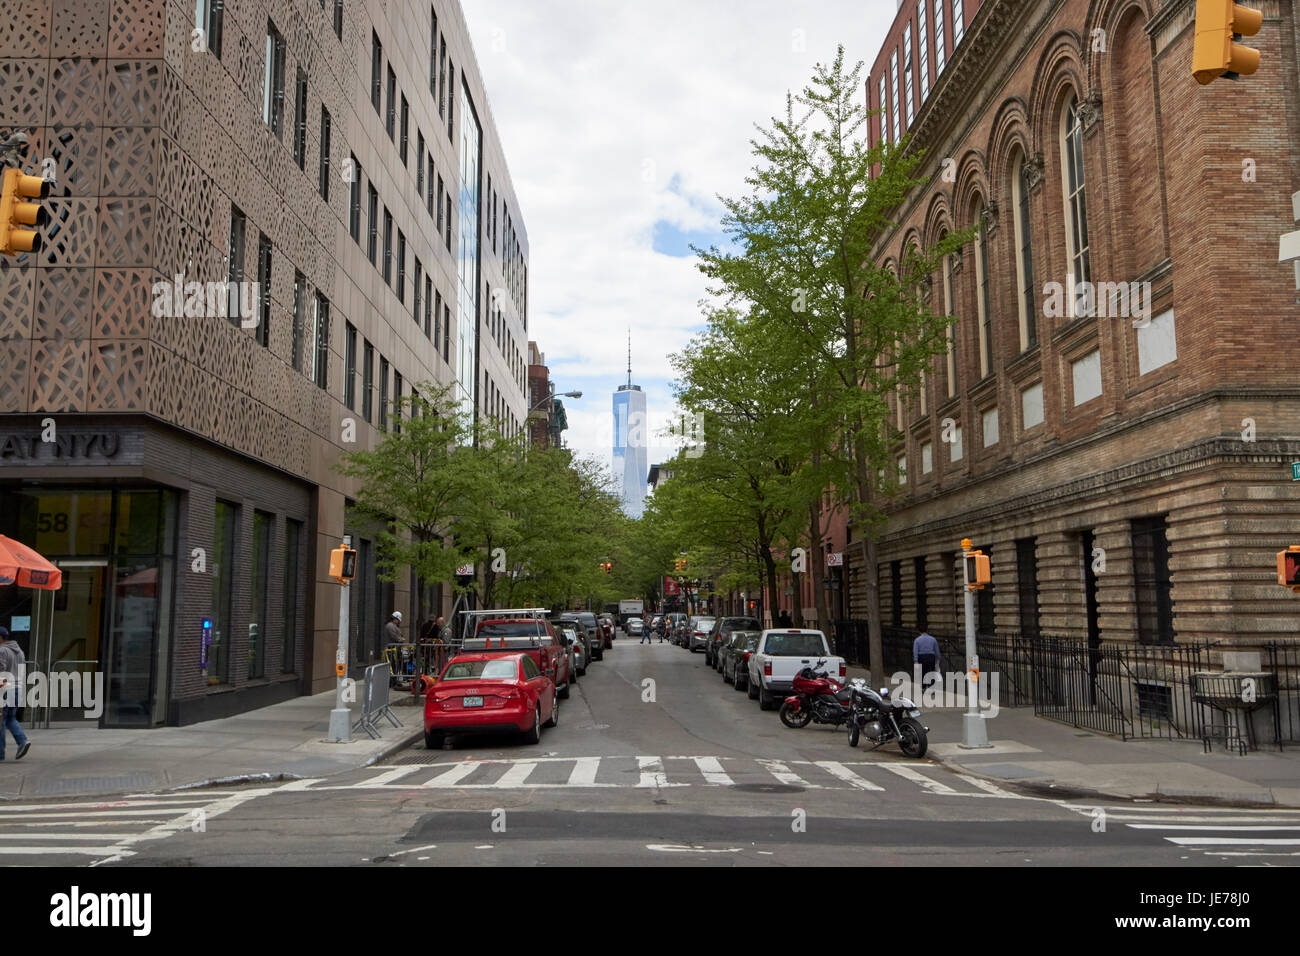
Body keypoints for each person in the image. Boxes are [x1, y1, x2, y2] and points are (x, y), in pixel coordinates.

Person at [0, 627, 30, 761]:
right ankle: (22, 741)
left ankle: (0, 754)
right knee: (10, 718)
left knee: (1, 721)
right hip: (18, 689)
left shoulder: (2, 650)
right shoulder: (20, 652)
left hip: (5, 689)